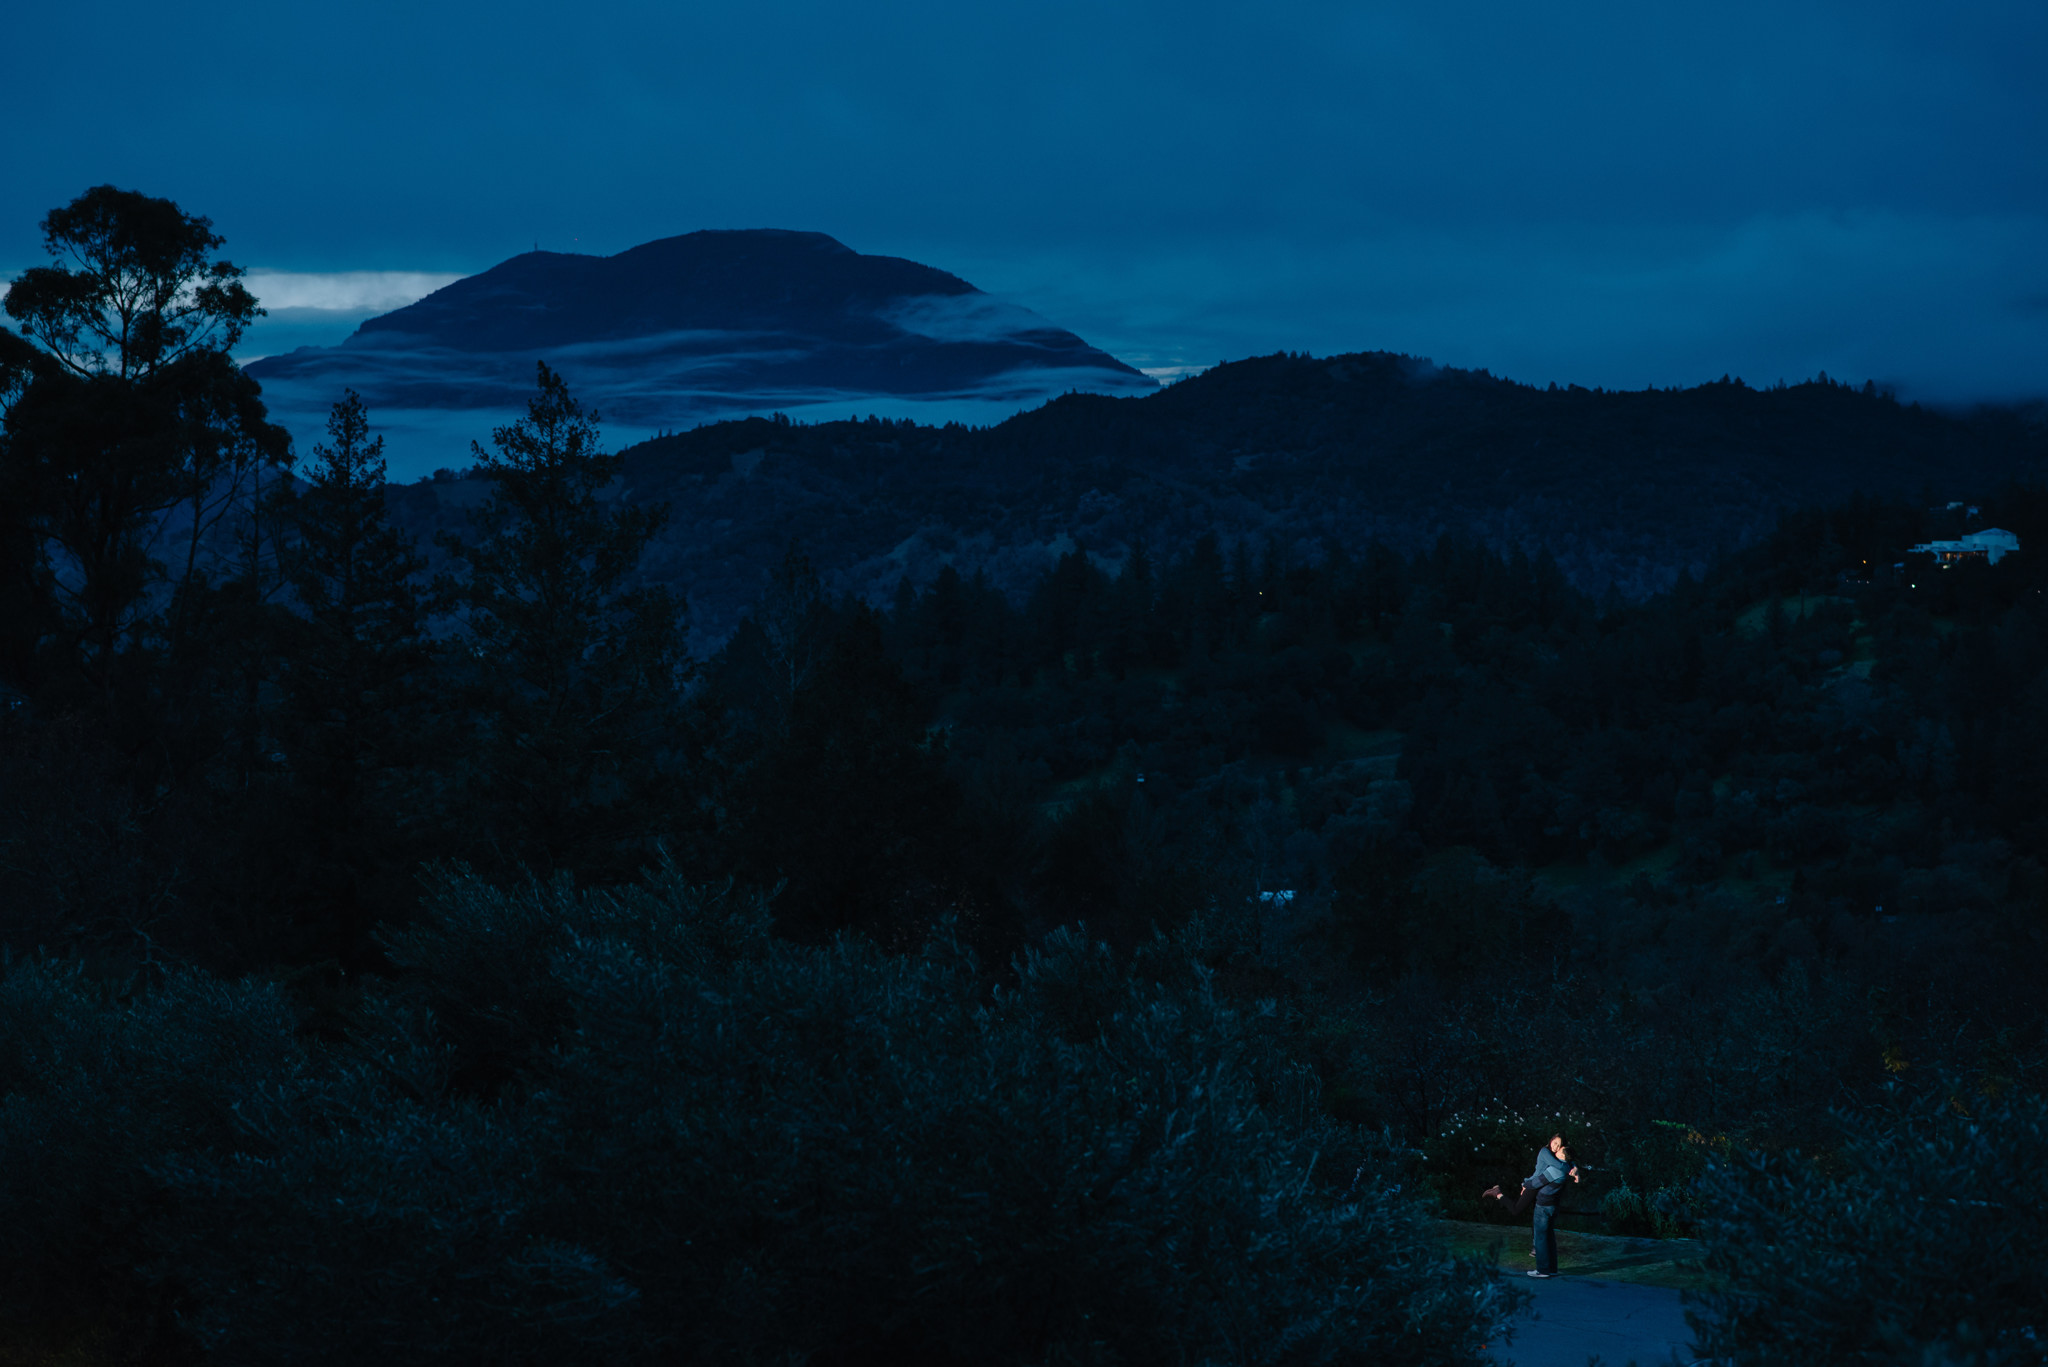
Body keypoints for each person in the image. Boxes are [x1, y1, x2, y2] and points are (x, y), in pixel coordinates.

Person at [1481, 1133, 1579, 1277]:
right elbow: (1562, 1164)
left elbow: (1565, 1161)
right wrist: (1574, 1169)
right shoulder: (1545, 1152)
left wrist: (1574, 1167)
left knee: (1541, 1226)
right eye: (1554, 1143)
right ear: (1550, 1140)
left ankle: (1541, 1259)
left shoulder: (1559, 1160)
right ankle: (1497, 1193)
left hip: (1539, 1185)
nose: (1555, 1147)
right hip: (1534, 1184)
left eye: (1559, 1145)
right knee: (1517, 1211)